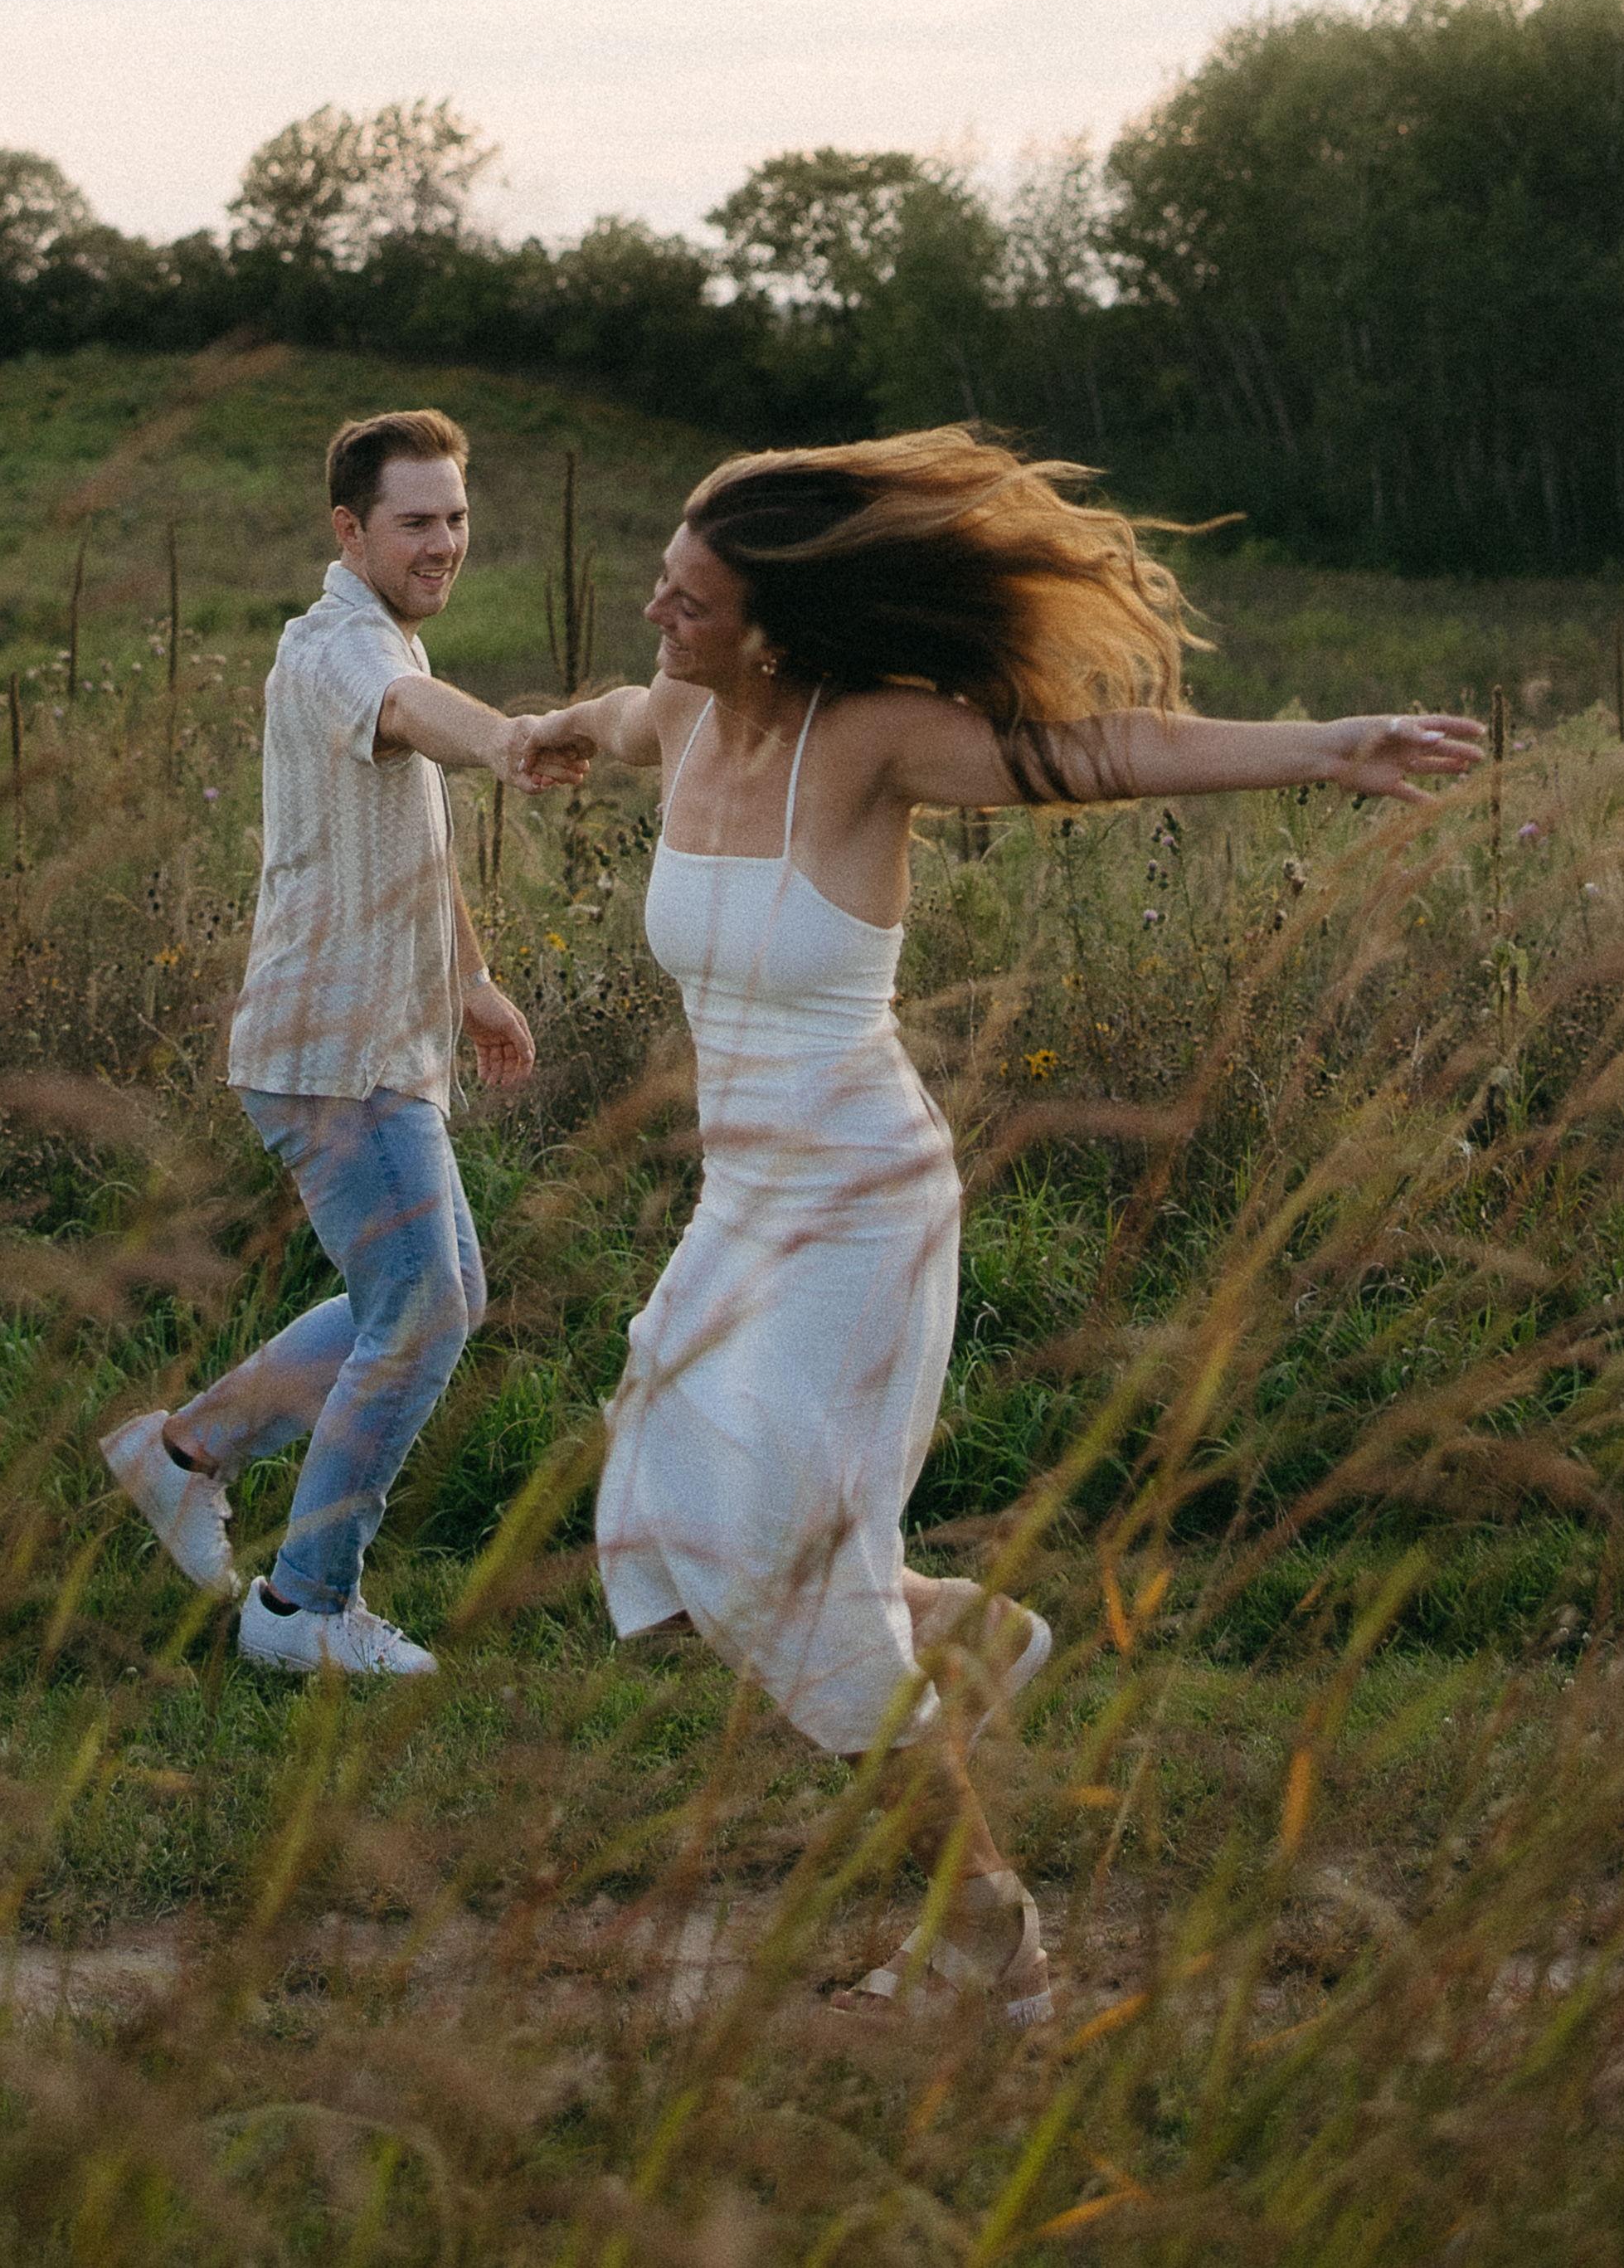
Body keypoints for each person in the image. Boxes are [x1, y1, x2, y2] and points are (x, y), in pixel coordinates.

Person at [509, 429, 1485, 2019]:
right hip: (740, 1202)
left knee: (775, 1555)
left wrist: (1327, 746)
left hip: (859, 1205)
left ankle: (987, 1934)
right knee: (672, 1516)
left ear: (773, 625)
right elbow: (605, 714)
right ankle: (961, 1638)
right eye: (662, 584)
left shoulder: (869, 740)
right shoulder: (679, 716)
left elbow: (1095, 754)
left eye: (688, 599)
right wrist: (542, 731)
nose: (657, 611)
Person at [97, 406, 564, 1677]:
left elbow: (410, 823)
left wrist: (471, 978)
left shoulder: (389, 633)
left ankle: (183, 1453)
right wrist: (508, 738)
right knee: (421, 1312)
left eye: (455, 517)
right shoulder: (336, 649)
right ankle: (304, 1605)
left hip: (377, 1044)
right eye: (415, 521)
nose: (442, 541)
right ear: (350, 530)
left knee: (427, 1298)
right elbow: (411, 712)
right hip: (332, 1053)